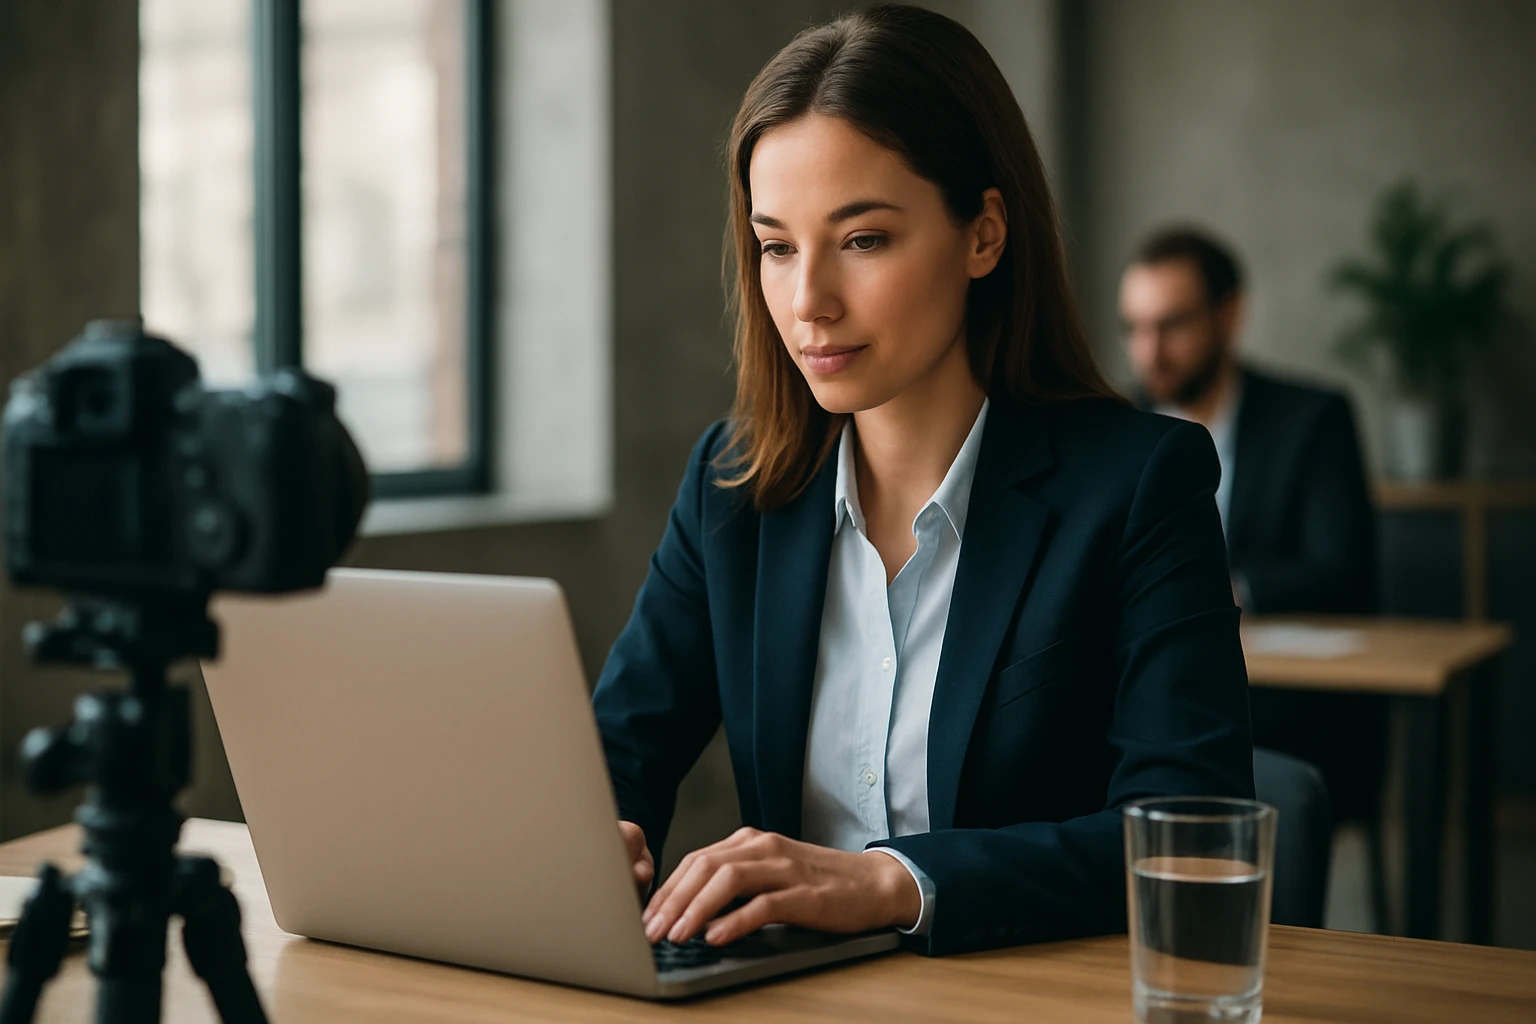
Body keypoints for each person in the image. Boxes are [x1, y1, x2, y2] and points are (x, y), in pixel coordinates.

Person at [592, 6, 1253, 959]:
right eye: (777, 246)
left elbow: (1188, 831)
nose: (808, 300)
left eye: (862, 240)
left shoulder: (1141, 484)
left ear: (984, 235)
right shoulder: (733, 487)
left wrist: (891, 881)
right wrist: (591, 841)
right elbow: (619, 756)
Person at [1118, 227, 1385, 878]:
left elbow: (1341, 567)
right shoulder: (1117, 427)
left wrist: (1212, 589)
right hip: (1150, 695)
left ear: (1229, 315)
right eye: (1136, 328)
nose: (1150, 352)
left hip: (1290, 706)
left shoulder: (1311, 418)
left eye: (1172, 325)